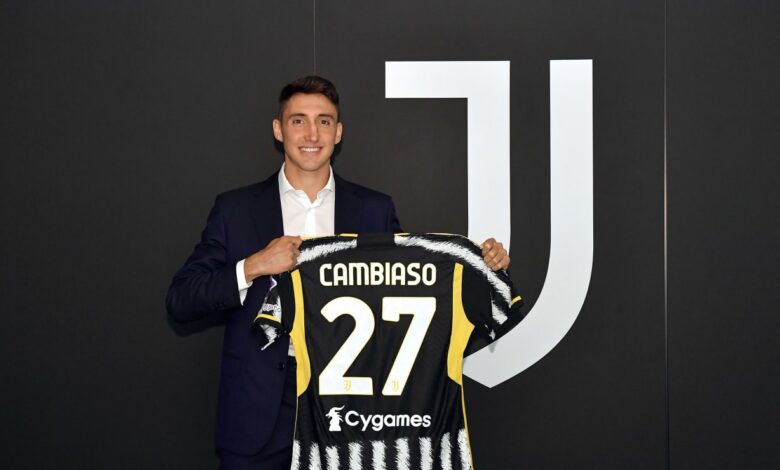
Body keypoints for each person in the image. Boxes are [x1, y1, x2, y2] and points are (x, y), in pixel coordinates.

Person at [166, 76, 510, 470]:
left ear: (338, 132)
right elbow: (181, 300)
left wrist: (483, 269)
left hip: (352, 412)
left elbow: (411, 291)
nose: (312, 134)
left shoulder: (374, 210)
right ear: (278, 129)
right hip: (259, 413)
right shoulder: (236, 210)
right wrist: (255, 264)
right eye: (298, 120)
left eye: (324, 121)